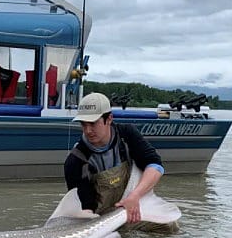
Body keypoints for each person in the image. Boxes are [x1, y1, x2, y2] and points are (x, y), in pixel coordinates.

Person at [64, 92, 164, 223]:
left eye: (93, 123)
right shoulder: (75, 161)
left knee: (169, 227)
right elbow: (85, 208)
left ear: (109, 119)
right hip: (102, 220)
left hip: (134, 205)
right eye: (84, 124)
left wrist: (135, 196)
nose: (88, 130)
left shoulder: (126, 135)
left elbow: (155, 166)